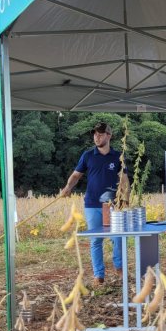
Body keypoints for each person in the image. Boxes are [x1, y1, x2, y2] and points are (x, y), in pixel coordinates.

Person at [60, 122, 128, 287]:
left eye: (100, 134)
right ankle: (99, 275)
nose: (97, 137)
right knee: (96, 240)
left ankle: (119, 268)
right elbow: (76, 175)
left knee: (117, 238)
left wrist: (126, 199)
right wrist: (67, 188)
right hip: (92, 204)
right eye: (95, 134)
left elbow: (124, 179)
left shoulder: (118, 156)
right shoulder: (87, 155)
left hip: (113, 204)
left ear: (109, 136)